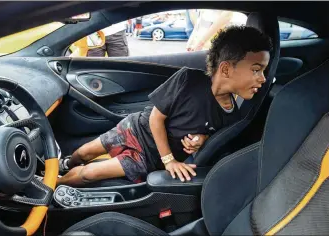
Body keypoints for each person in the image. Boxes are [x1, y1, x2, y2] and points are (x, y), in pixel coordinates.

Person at [57, 26, 272, 187]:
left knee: (89, 173)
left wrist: (201, 140)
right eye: (256, 70)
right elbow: (155, 118)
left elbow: (211, 137)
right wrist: (170, 160)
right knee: (84, 152)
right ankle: (63, 166)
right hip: (135, 129)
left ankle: (53, 185)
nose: (263, 79)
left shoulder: (231, 116)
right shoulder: (188, 80)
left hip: (149, 158)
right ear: (225, 69)